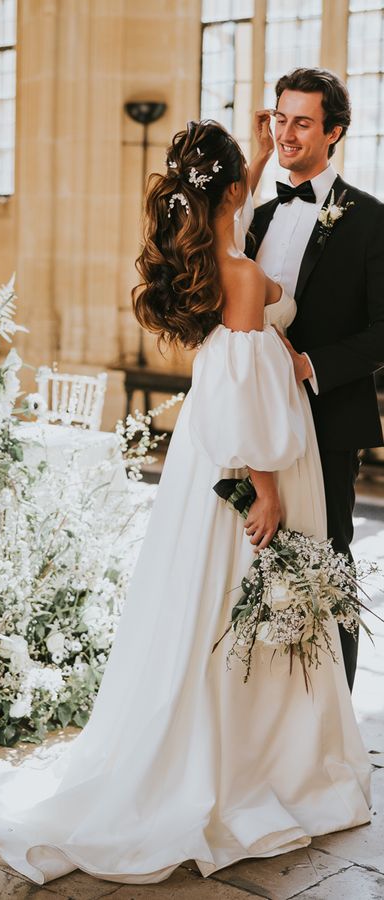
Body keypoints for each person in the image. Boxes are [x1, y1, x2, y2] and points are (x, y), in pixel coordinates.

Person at [0, 119, 371, 886]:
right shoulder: (239, 273)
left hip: (209, 457)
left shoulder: (209, 260)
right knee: (245, 602)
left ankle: (251, 749)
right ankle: (248, 763)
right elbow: (245, 397)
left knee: (221, 609)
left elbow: (232, 380)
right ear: (235, 189)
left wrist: (257, 148)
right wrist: (264, 489)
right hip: (250, 461)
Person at [246, 67, 384, 692]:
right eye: (280, 118)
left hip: (326, 417)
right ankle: (274, 714)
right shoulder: (261, 212)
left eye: (302, 122)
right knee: (256, 559)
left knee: (327, 561)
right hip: (254, 420)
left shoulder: (371, 219)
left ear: (334, 133)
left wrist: (310, 367)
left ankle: (334, 719)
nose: (287, 133)